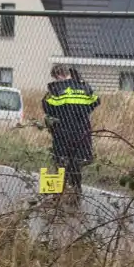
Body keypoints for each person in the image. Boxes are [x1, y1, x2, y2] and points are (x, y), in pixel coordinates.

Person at [42, 64, 99, 197]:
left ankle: (58, 194)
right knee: (76, 163)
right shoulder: (84, 86)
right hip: (82, 131)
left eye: (55, 78)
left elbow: (47, 106)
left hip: (62, 132)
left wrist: (58, 115)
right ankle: (76, 192)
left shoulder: (56, 89)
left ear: (58, 75)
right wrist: (82, 112)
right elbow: (96, 101)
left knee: (60, 162)